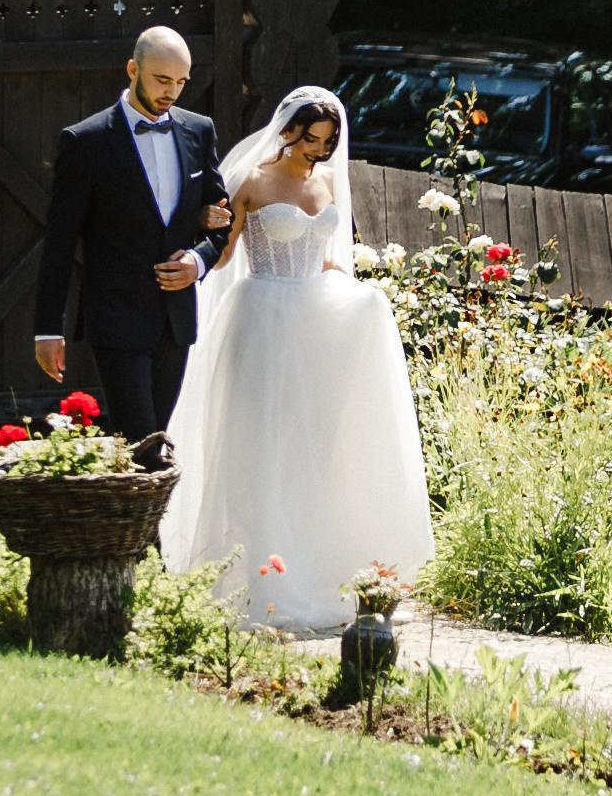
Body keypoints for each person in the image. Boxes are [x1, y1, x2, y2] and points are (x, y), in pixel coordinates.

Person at [160, 85, 434, 632]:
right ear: (287, 130)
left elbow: (328, 258)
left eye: (327, 141)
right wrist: (204, 239)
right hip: (263, 317)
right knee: (262, 444)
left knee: (317, 448)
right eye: (310, 138)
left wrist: (357, 297)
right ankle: (258, 576)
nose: (317, 150)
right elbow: (224, 258)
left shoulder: (329, 179)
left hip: (317, 323)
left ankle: (318, 568)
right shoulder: (253, 181)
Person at [33, 25, 231, 458]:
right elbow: (60, 241)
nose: (172, 92)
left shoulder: (200, 132)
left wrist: (197, 262)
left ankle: (140, 527)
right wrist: (48, 328)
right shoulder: (85, 141)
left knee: (159, 438)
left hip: (176, 321)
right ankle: (147, 529)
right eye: (162, 80)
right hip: (116, 316)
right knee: (145, 446)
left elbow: (221, 221)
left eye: (181, 82)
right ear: (132, 69)